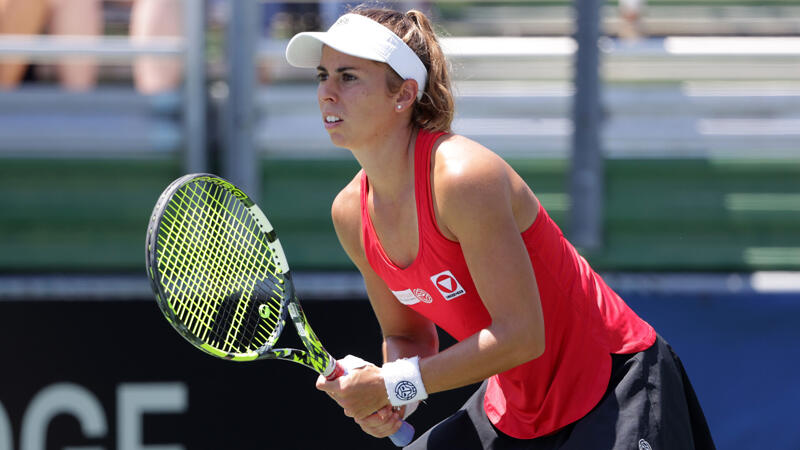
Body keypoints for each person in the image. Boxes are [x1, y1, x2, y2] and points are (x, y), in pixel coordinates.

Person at [285, 5, 715, 449]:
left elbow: (522, 337)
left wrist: (396, 383)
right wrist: (396, 398)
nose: (326, 93)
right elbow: (407, 335)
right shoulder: (350, 214)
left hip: (615, 386)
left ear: (404, 94)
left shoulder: (463, 177)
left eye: (348, 77)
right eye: (322, 76)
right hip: (515, 409)